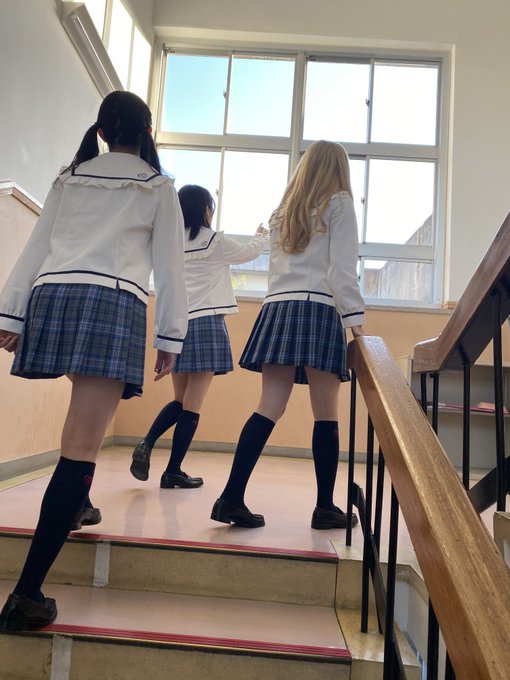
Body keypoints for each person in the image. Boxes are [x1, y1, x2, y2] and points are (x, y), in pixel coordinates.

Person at [0, 91, 187, 631]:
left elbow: (38, 246)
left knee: (81, 429)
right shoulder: (157, 186)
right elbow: (169, 268)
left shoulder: (70, 177)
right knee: (81, 446)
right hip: (111, 300)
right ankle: (25, 596)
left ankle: (76, 505)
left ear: (102, 132)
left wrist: (11, 313)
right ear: (146, 133)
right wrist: (170, 336)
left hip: (54, 295)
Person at [210, 140, 365, 530]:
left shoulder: (283, 212)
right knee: (325, 412)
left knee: (268, 406)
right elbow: (341, 271)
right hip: (318, 308)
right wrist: (357, 326)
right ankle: (325, 507)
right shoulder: (340, 203)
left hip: (278, 308)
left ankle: (231, 497)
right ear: (339, 169)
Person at [130, 184, 268, 488]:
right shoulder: (215, 241)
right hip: (207, 325)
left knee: (180, 400)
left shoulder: (170, 243)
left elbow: (164, 287)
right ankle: (173, 470)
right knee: (192, 405)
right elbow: (249, 253)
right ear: (206, 209)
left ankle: (147, 442)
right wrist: (260, 235)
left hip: (177, 326)